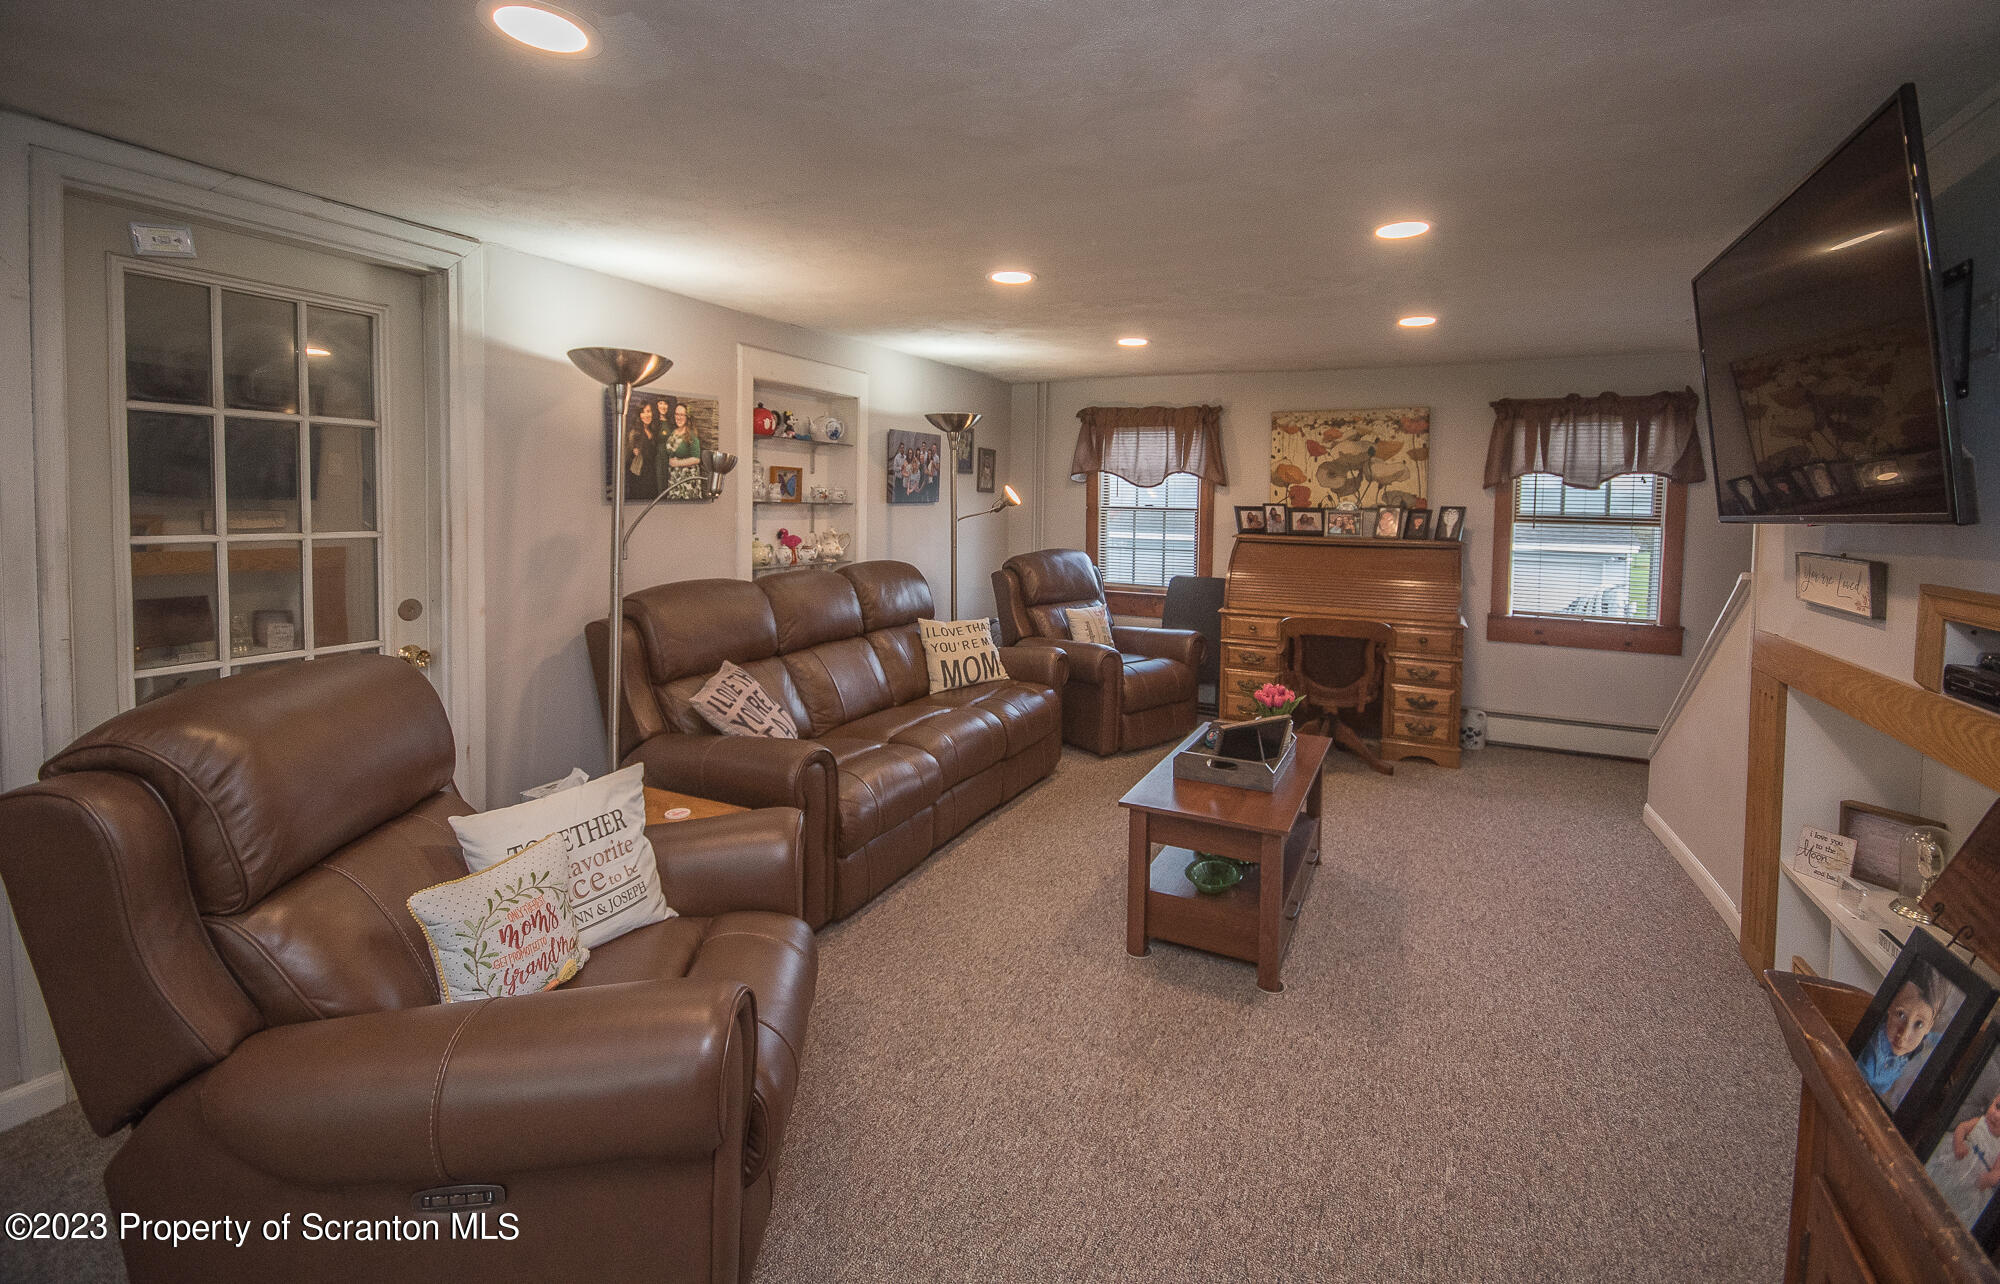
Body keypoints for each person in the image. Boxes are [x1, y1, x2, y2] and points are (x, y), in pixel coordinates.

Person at [1857, 961, 1950, 1104]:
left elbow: (1934, 1037)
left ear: (1929, 1026)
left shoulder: (1920, 1042)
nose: (1904, 1035)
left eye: (1919, 1024)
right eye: (1901, 1015)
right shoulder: (1869, 1063)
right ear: (1890, 1004)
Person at [1927, 1086, 2000, 1229]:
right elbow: (1962, 1127)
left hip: (1975, 1181)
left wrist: (1990, 1178)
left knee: (1959, 1208)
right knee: (1939, 1182)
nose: (1996, 1116)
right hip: (1959, 1159)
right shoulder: (1980, 1121)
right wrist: (1958, 1143)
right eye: (1997, 1106)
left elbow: (1997, 1171)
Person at [657, 400, 704, 499]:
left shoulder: (691, 434)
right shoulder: (674, 431)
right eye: (677, 414)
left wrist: (677, 463)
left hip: (687, 480)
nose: (679, 417)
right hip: (674, 478)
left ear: (687, 417)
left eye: (682, 415)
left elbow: (696, 459)